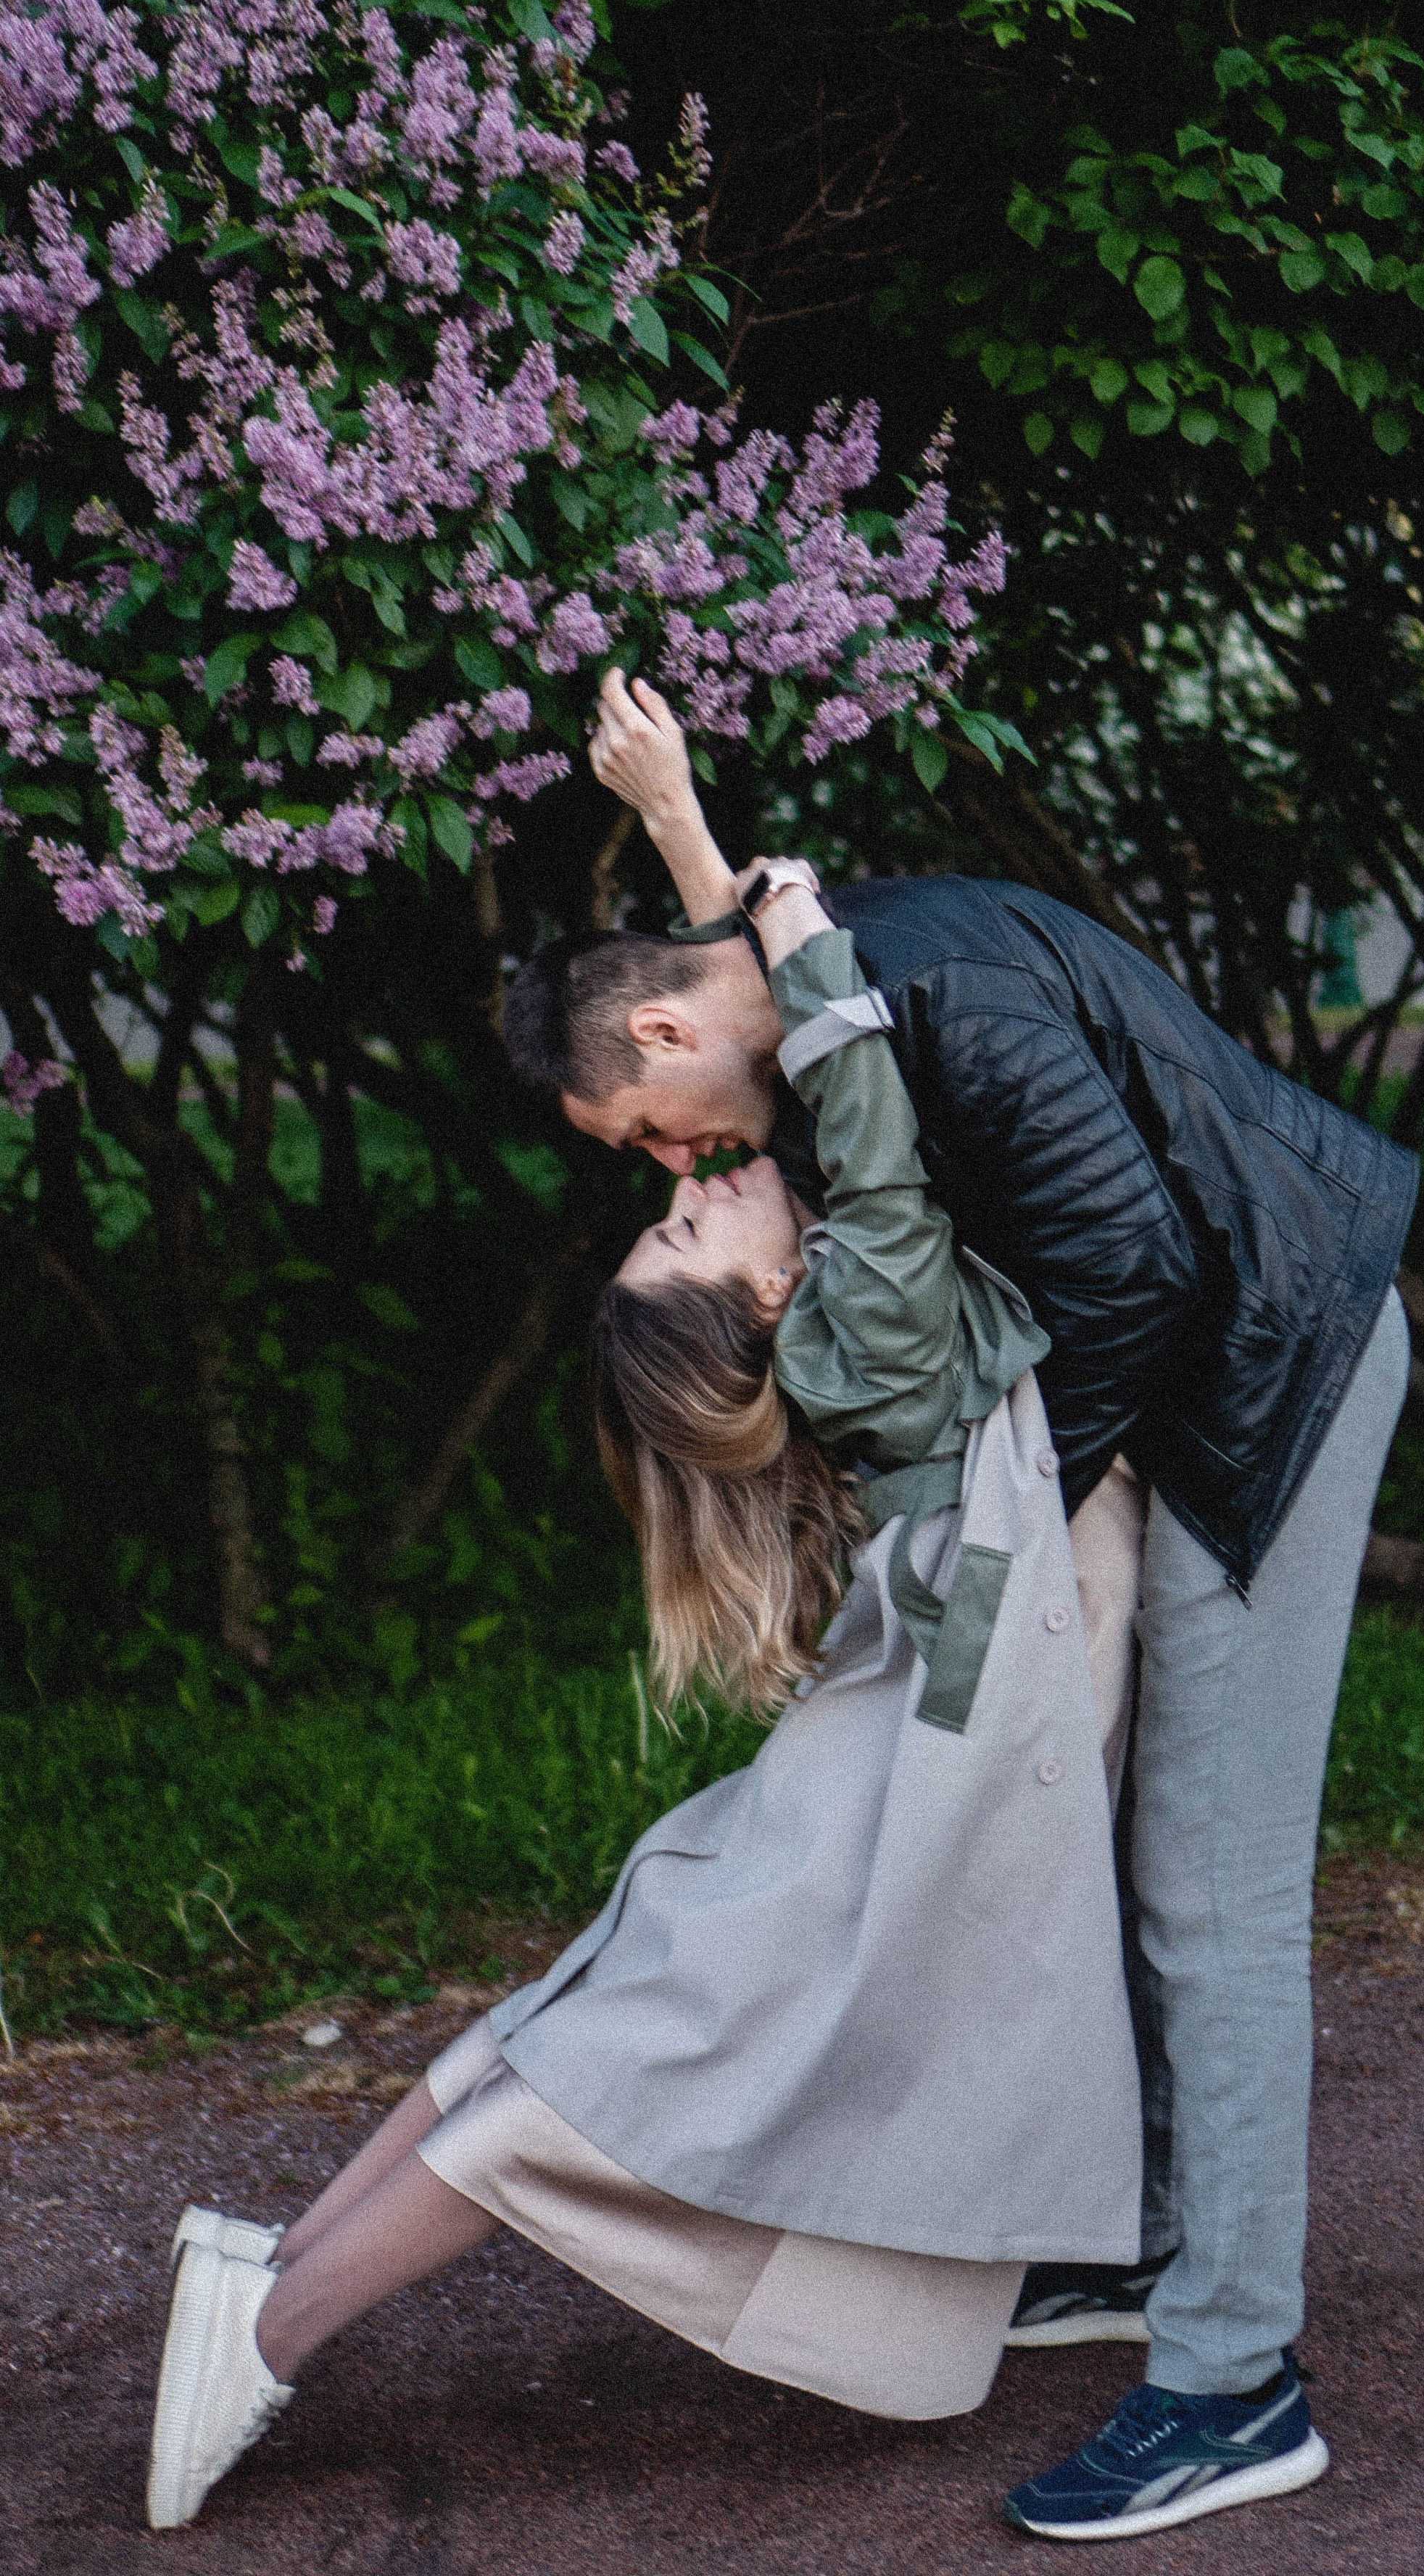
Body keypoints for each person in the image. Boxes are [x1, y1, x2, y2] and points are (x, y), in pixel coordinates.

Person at [499, 674, 1418, 2541]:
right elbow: (776, 969)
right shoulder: (814, 988)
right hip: (1190, 1390)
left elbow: (1138, 1278)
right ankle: (1168, 2247)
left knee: (1207, 1896)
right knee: (1123, 1859)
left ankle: (1236, 2380)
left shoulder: (934, 997)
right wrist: (678, 816)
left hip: (1269, 1379)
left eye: (643, 1134)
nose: (669, 1169)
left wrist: (978, 1559)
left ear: (669, 1033)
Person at [146, 833, 1146, 2532]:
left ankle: (279, 2270)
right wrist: (787, 910)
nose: (687, 1182)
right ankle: (280, 2303)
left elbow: (722, 1036)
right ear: (769, 1292)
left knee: (646, 1979)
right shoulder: (866, 1295)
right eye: (682, 1217)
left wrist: (713, 879)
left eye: (671, 1192)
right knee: (657, 2017)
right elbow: (851, 1103)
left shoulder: (833, 1299)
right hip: (953, 1712)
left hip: (923, 1706)